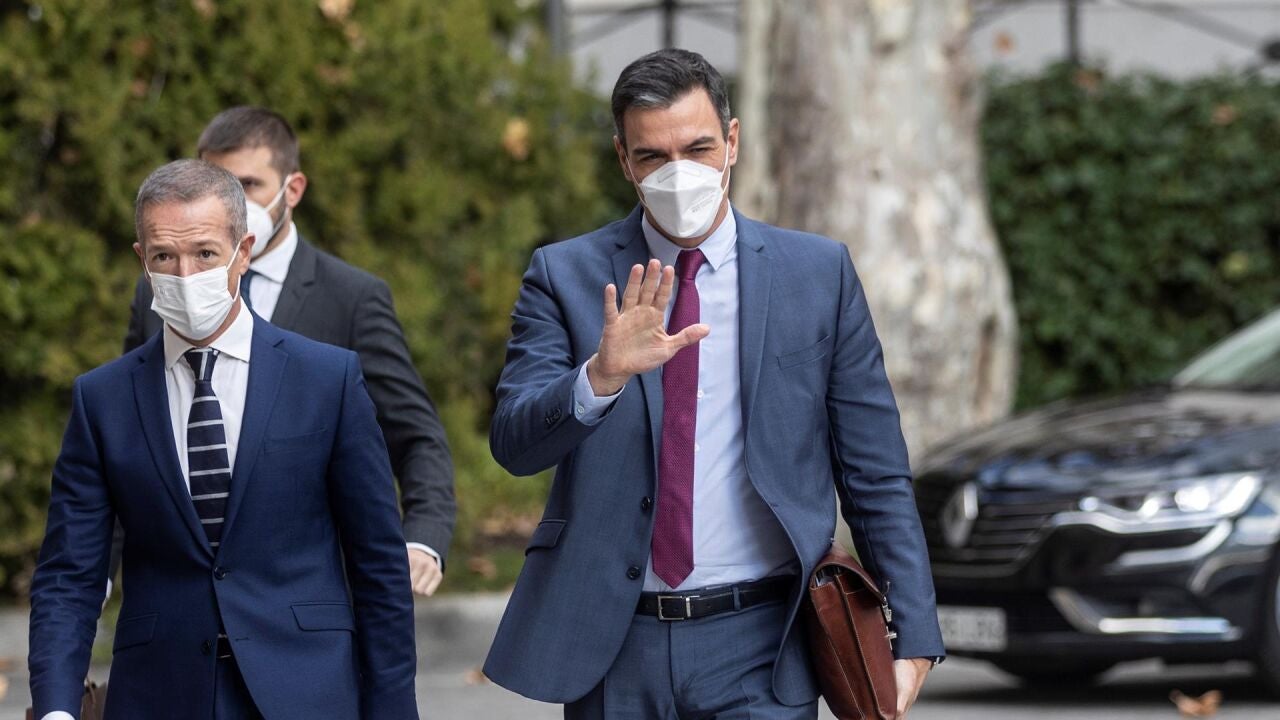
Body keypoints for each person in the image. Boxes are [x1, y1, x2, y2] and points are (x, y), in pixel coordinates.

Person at [484, 49, 944, 719]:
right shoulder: (565, 275)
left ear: (732, 141)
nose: (679, 173)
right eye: (652, 156)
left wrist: (915, 632)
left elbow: (874, 471)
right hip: (616, 645)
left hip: (764, 644)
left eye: (697, 148)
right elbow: (514, 444)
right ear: (623, 160)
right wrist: (600, 376)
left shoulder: (816, 275)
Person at [28, 160, 419, 719]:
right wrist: (56, 710)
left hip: (306, 690)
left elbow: (378, 565)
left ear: (243, 252)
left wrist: (393, 711)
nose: (185, 274)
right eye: (165, 256)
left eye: (205, 253)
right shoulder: (103, 399)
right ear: (142, 260)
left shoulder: (327, 379)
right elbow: (69, 576)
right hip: (159, 696)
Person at [120, 106, 454, 597]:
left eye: (248, 185)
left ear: (292, 189)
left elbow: (414, 433)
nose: (232, 203)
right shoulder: (162, 290)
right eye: (218, 183)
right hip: (184, 592)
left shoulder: (351, 298)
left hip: (306, 593)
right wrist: (96, 569)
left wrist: (423, 538)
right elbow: (130, 435)